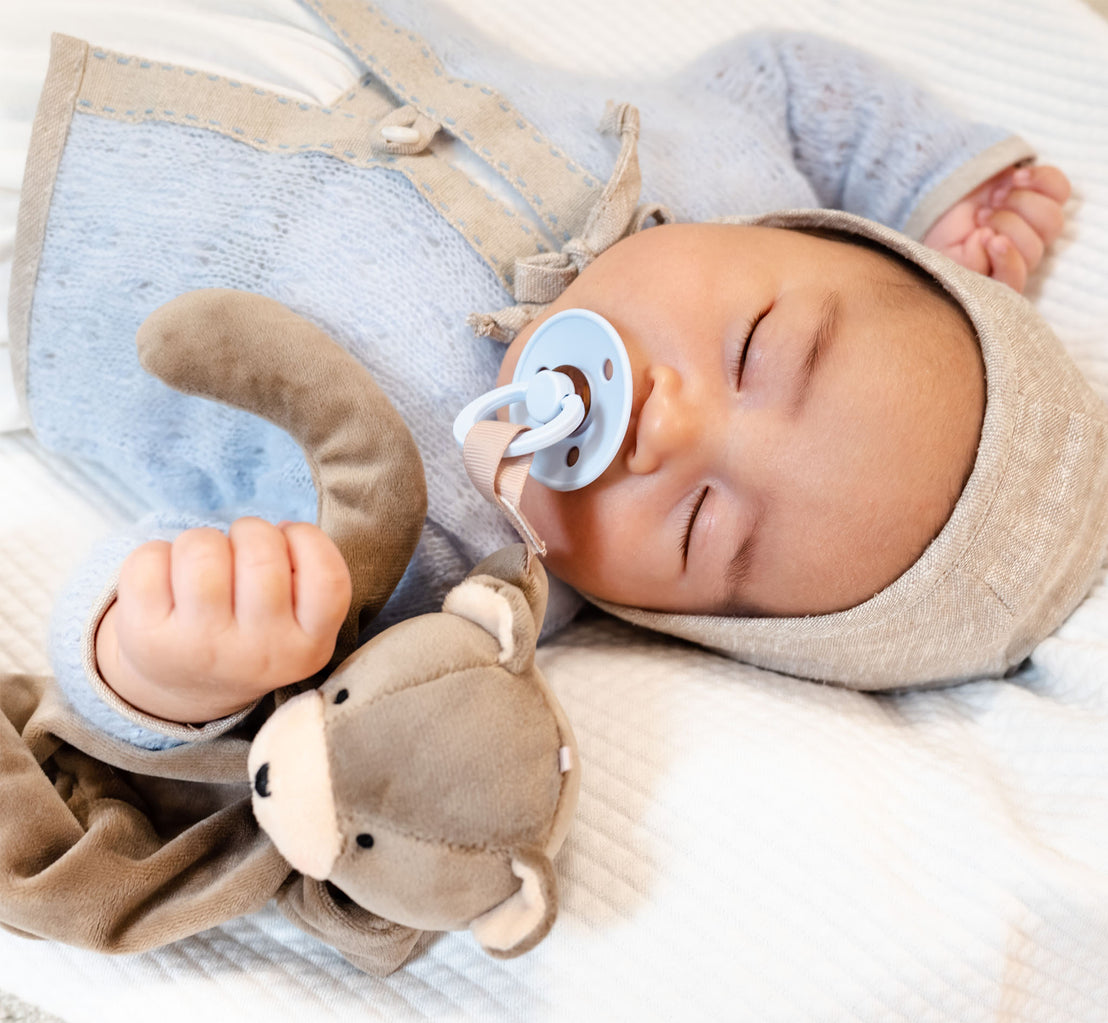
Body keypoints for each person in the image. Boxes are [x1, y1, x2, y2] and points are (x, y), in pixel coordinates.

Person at [18, 8, 1100, 746]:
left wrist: (163, 666)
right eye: (755, 351)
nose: (668, 433)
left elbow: (197, 601)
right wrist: (925, 171)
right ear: (805, 227)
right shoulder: (727, 168)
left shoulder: (444, 552)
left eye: (696, 529)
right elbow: (782, 77)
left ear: (664, 620)